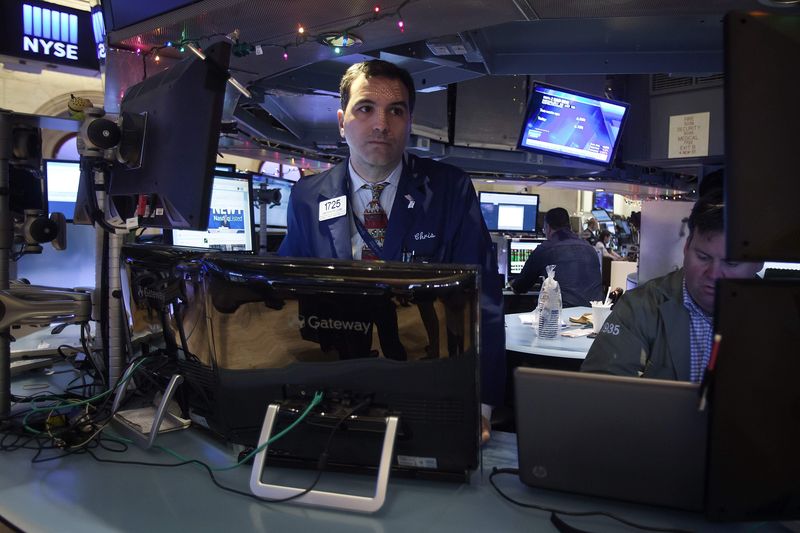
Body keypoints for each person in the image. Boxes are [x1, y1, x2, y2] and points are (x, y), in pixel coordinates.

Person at [277, 59, 505, 440]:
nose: (381, 124)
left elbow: (484, 302)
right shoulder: (307, 196)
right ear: (341, 121)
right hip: (332, 382)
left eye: (395, 111)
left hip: (425, 381)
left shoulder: (449, 190)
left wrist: (480, 405)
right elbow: (285, 298)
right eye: (365, 108)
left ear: (409, 121)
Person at [581, 189, 763, 382]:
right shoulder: (639, 308)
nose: (714, 274)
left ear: (758, 262)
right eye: (703, 257)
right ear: (686, 248)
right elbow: (599, 392)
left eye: (731, 263)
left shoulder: (785, 315)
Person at [510, 207, 603, 308]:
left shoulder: (545, 249)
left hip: (563, 315)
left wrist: (511, 283)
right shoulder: (589, 248)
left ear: (548, 228)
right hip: (594, 314)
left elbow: (520, 287)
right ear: (570, 226)